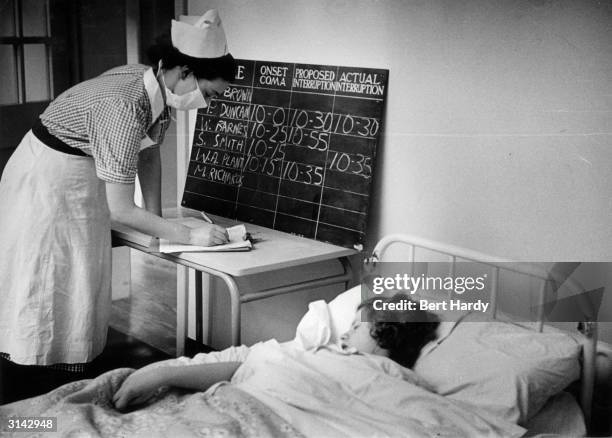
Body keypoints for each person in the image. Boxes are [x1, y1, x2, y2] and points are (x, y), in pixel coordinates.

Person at [0, 10, 236, 373]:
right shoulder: (125, 104)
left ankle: (69, 365)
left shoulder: (154, 86)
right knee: (49, 275)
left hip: (78, 174)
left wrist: (158, 223)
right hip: (47, 180)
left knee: (81, 276)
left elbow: (149, 152)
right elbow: (121, 210)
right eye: (207, 93)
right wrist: (189, 234)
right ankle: (35, 372)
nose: (206, 103)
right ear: (185, 72)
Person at [112, 293, 439, 410]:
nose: (349, 330)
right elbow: (249, 362)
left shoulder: (394, 377)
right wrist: (162, 372)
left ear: (389, 329)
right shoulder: (315, 351)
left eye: (360, 325)